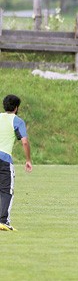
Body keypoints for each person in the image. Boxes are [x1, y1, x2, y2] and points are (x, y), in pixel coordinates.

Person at [0, 95, 32, 231]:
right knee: (7, 190)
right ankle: (3, 221)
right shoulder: (17, 120)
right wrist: (28, 160)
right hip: (4, 159)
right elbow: (24, 141)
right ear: (16, 108)